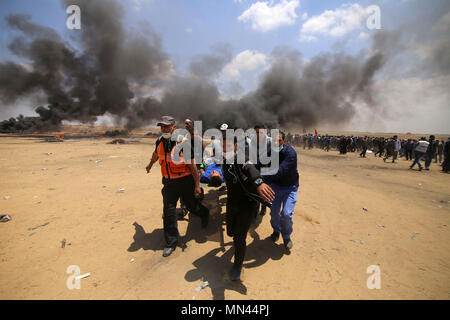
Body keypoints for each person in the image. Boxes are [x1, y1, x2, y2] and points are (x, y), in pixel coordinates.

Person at [145, 116, 209, 257]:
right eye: (161, 126)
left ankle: (204, 213)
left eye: (166, 126)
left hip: (185, 181)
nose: (164, 129)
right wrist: (150, 164)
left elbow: (192, 166)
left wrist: (197, 185)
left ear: (174, 127)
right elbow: (156, 154)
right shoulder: (160, 142)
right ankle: (171, 242)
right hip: (169, 183)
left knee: (192, 206)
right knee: (168, 211)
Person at [222, 136, 275, 281]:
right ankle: (237, 246)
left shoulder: (241, 157)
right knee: (231, 232)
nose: (224, 146)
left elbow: (250, 168)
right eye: (222, 144)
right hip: (232, 202)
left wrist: (259, 183)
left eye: (227, 144)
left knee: (239, 237)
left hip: (246, 203)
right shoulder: (224, 159)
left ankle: (237, 265)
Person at [262, 131, 299, 251]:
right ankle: (276, 230)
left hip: (290, 188)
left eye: (278, 141)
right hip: (275, 187)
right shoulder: (271, 151)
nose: (275, 143)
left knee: (286, 214)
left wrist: (261, 178)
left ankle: (286, 236)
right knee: (274, 213)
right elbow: (261, 163)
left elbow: (279, 171)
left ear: (283, 141)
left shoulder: (290, 153)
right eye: (273, 140)